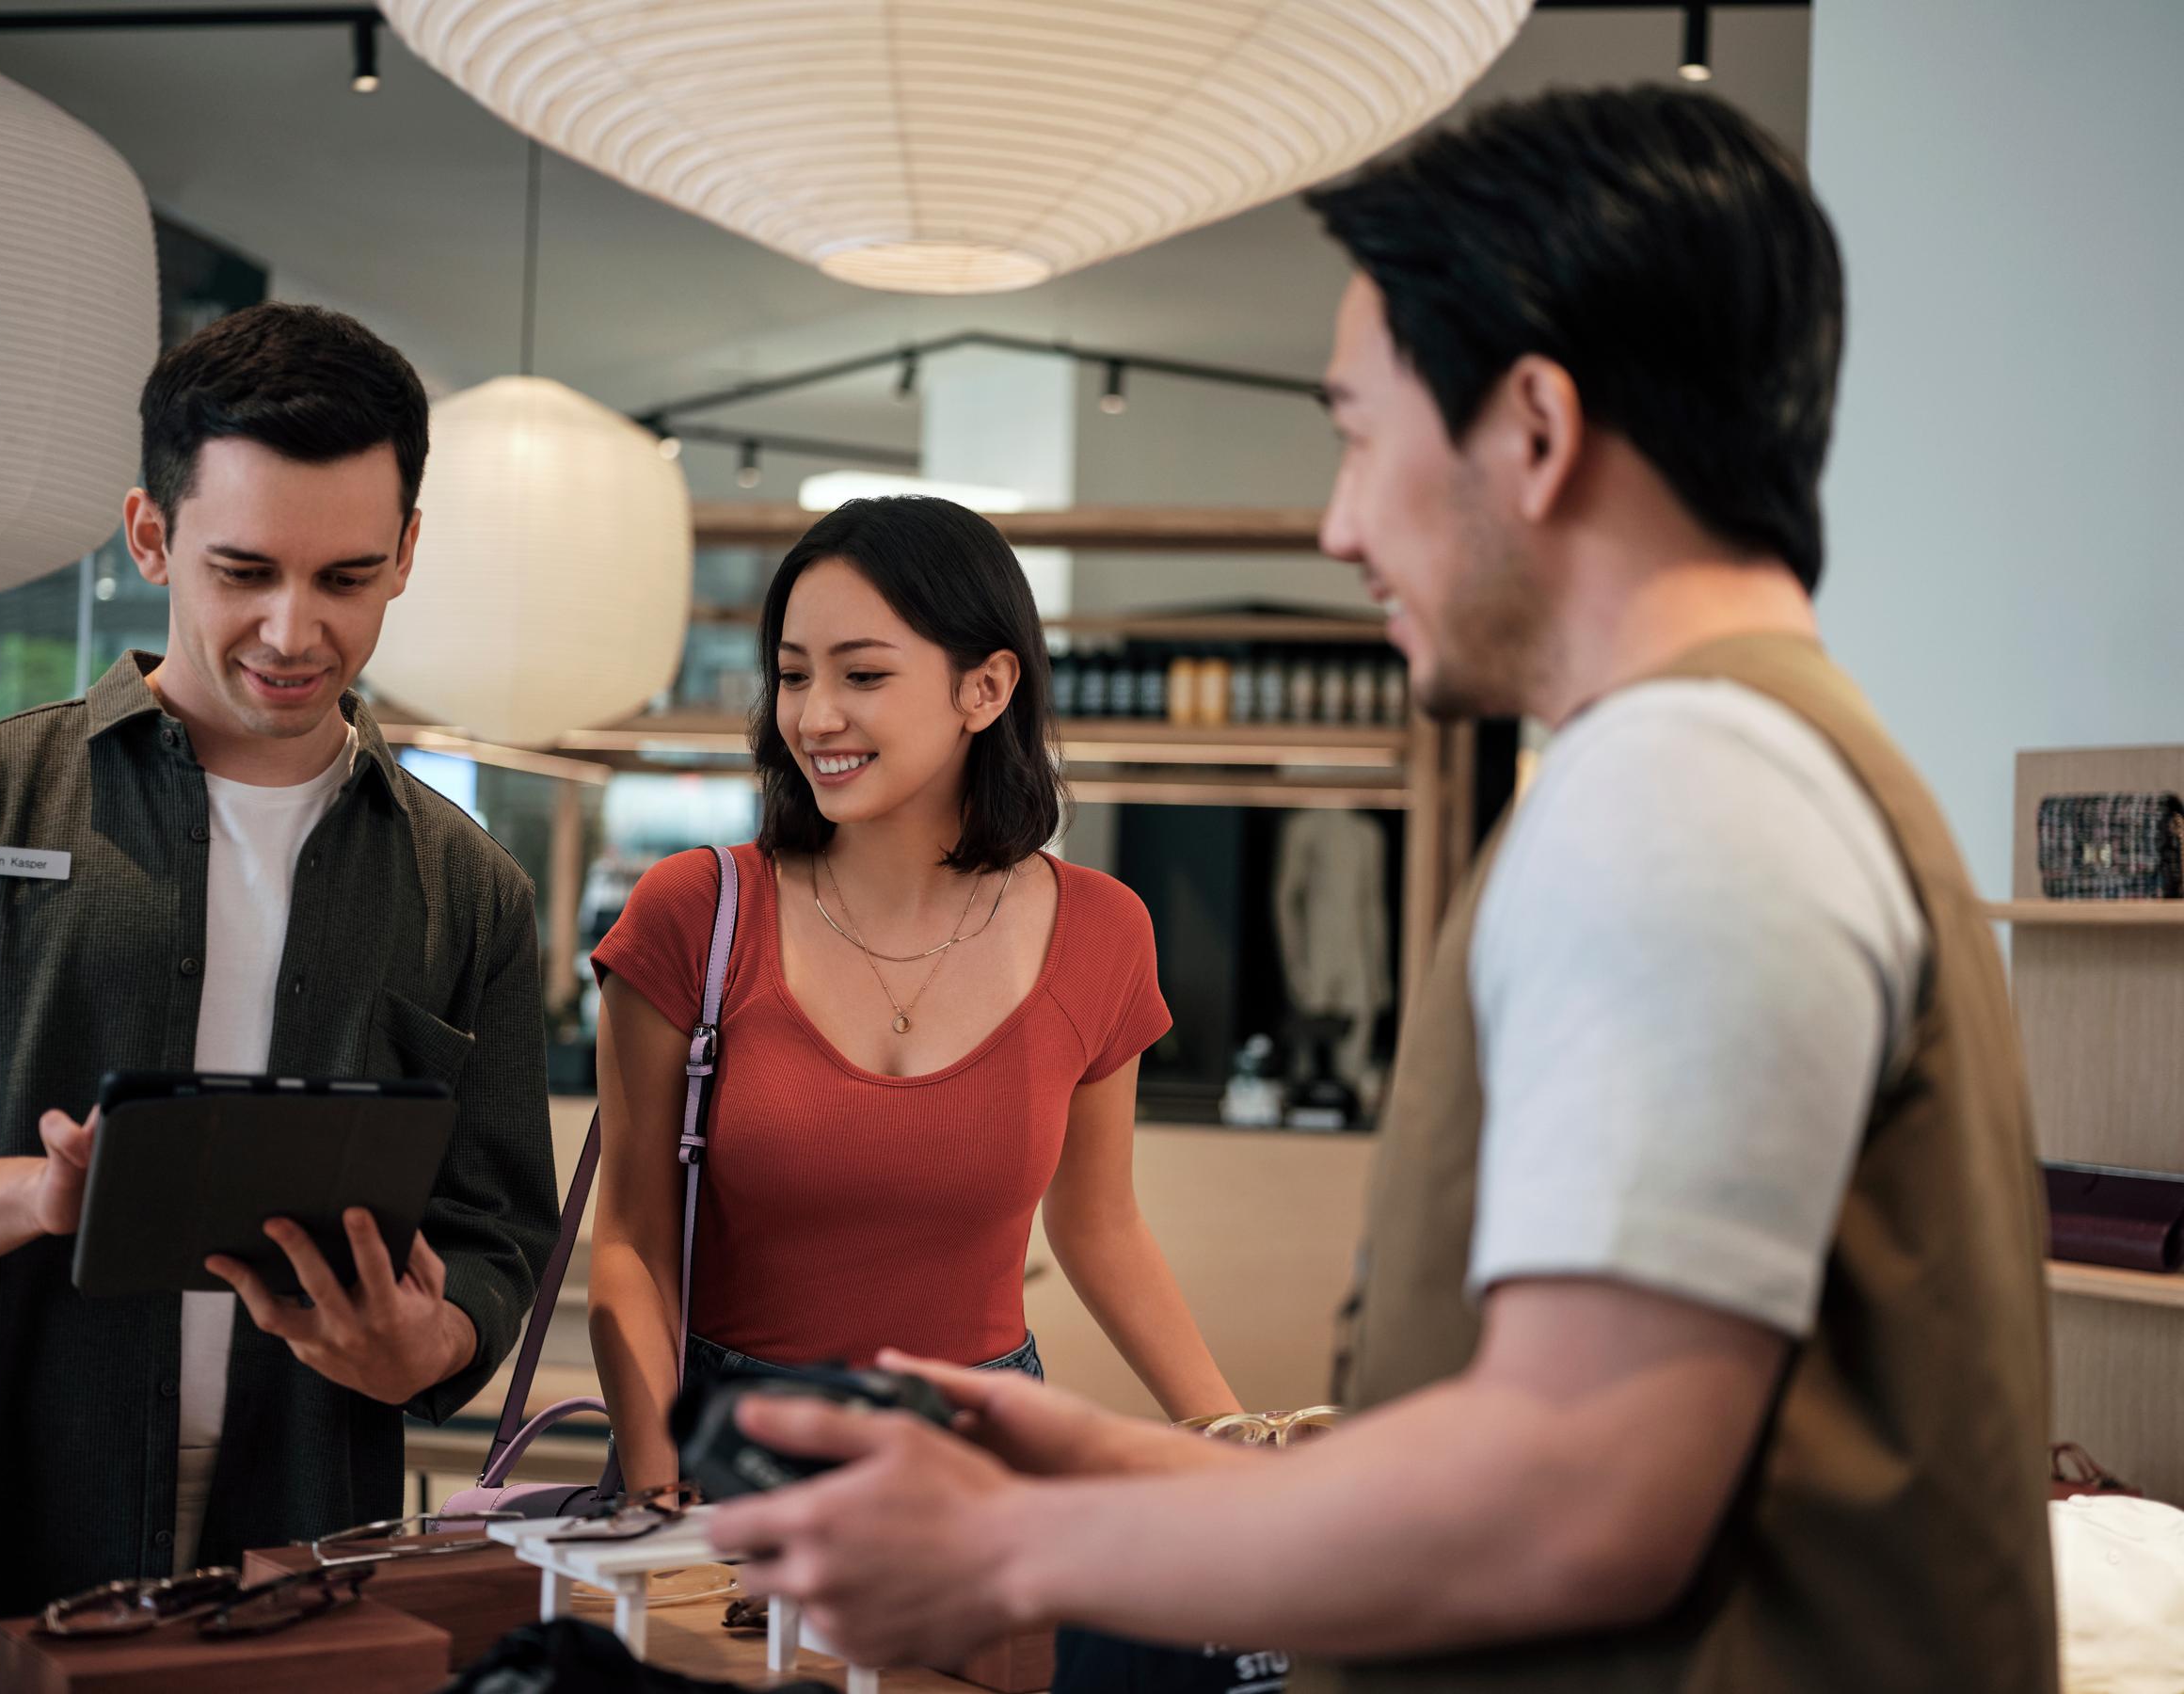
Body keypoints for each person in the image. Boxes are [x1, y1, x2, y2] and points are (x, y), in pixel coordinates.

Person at [700, 87, 2061, 1693]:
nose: (1342, 523)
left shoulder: (1683, 795)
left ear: (1536, 432)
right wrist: (1133, 1465)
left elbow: (1578, 1501)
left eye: (1356, 432)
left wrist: (1010, 1551)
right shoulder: (1789, 763)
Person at [0, 302, 558, 1629]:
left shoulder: (471, 891)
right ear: (151, 536)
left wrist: (423, 1344)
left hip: (306, 1539)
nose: (293, 631)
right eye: (244, 570)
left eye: (345, 579)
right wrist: (42, 1195)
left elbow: (498, 1242)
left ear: (405, 556)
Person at [588, 496, 1239, 1490]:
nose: (813, 716)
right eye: (793, 674)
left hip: (974, 1453)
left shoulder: (1104, 932)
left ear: (986, 688)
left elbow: (1099, 1223)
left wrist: (1231, 1435)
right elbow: (630, 1242)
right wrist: (655, 1493)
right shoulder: (696, 913)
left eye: (863, 675)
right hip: (722, 1448)